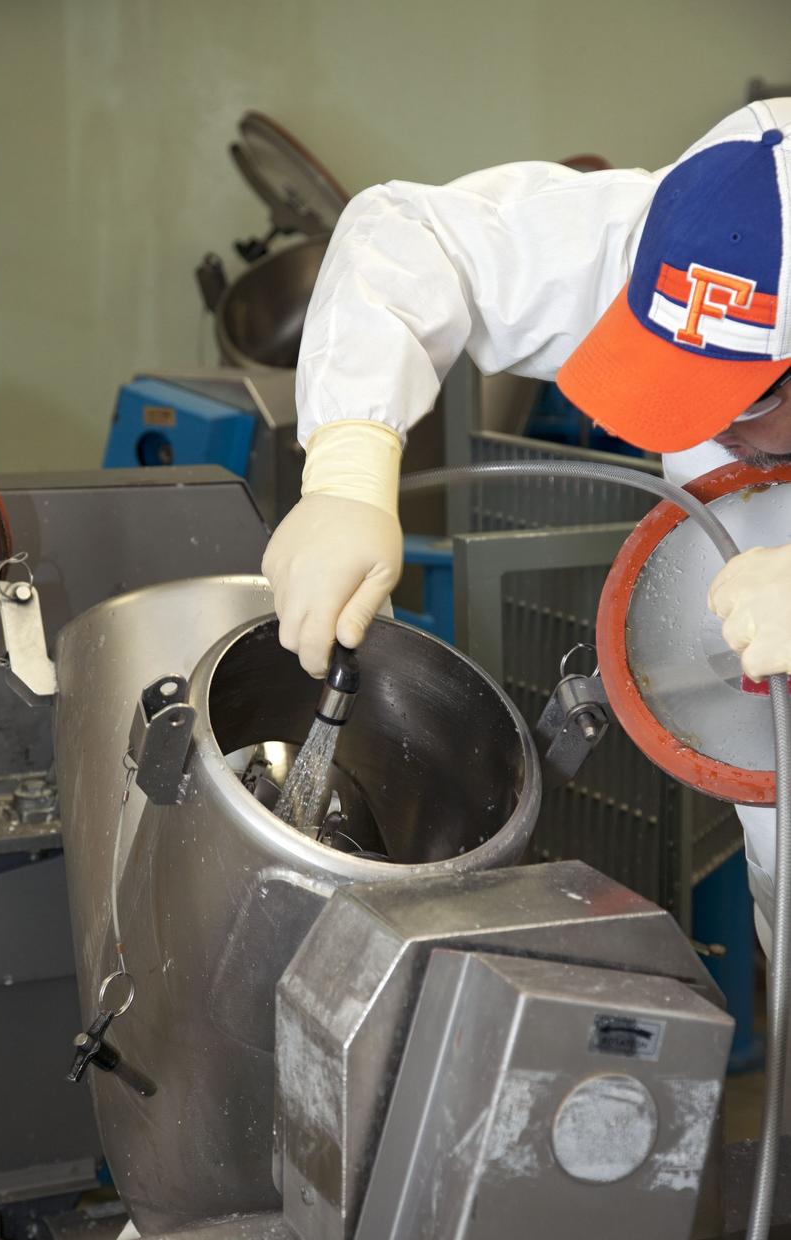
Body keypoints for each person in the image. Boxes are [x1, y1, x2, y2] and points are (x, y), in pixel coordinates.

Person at [263, 97, 791, 950]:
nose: (711, 430)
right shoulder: (698, 235)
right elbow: (410, 235)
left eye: (750, 397)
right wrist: (348, 466)